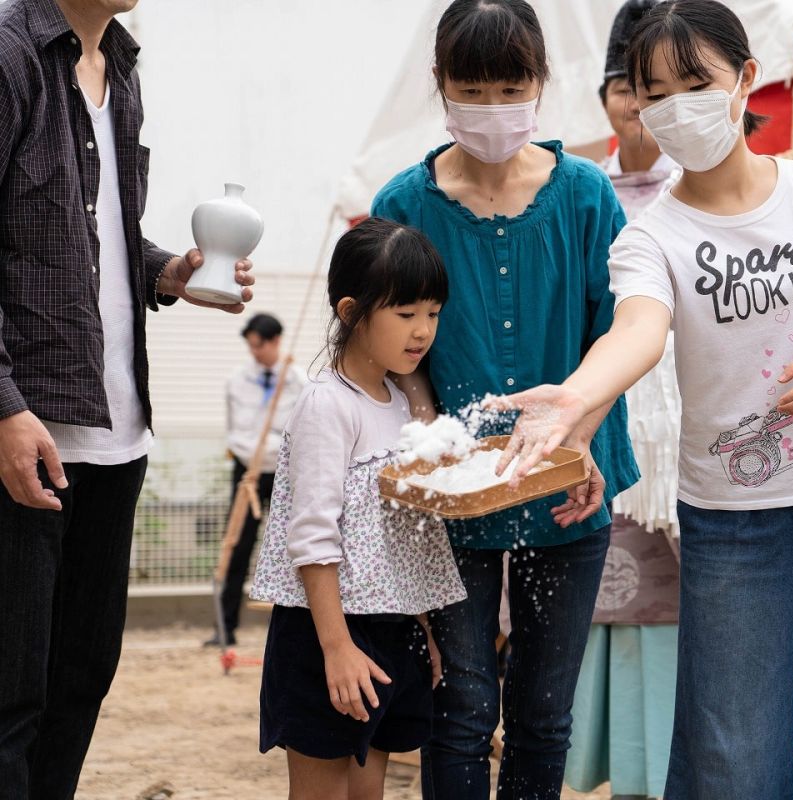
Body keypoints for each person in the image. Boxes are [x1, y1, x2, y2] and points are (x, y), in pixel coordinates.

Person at [491, 2, 793, 798]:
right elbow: (637, 332)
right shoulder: (650, 236)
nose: (675, 105)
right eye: (655, 90)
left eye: (695, 81)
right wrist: (574, 398)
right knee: (734, 754)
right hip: (732, 524)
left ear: (746, 78)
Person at [370, 2, 639, 797]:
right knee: (460, 707)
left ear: (540, 83)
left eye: (510, 86)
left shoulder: (588, 197)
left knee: (544, 711)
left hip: (568, 489)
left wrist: (581, 433)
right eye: (472, 88)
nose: (493, 108)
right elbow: (389, 352)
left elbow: (619, 335)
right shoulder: (403, 207)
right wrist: (428, 433)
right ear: (441, 86)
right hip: (451, 504)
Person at [0, 0, 255, 795]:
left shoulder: (121, 66)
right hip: (26, 429)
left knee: (82, 681)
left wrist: (165, 274)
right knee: (11, 694)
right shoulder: (10, 58)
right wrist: (3, 407)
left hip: (119, 430)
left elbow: (93, 232)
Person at [249, 218, 466, 800]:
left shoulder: (399, 402)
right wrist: (337, 647)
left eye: (433, 312)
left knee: (367, 794)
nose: (423, 331)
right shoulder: (327, 405)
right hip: (327, 632)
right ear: (351, 311)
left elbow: (403, 535)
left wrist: (422, 626)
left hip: (391, 629)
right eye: (405, 314)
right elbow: (312, 536)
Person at [565, 3, 681, 799]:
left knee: (677, 617)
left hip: (688, 445)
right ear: (606, 96)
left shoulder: (701, 189)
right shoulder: (576, 190)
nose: (637, 105)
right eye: (625, 87)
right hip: (602, 428)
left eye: (656, 89)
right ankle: (608, 766)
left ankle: (667, 768)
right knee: (600, 612)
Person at [205, 312, 306, 647]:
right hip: (247, 471)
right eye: (250, 346)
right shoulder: (237, 379)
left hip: (283, 473)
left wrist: (273, 449)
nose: (255, 352)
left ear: (276, 341)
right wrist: (254, 454)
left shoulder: (297, 381)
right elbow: (235, 431)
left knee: (292, 548)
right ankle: (225, 627)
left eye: (259, 345)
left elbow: (299, 434)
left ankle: (294, 627)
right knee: (236, 545)